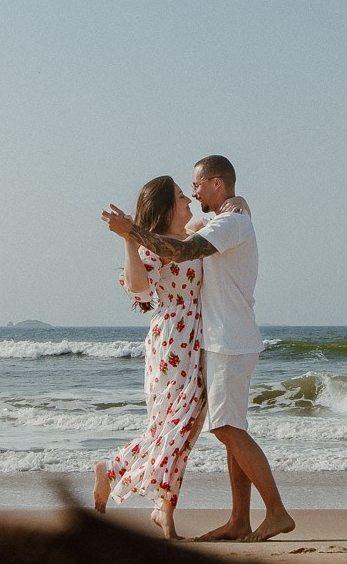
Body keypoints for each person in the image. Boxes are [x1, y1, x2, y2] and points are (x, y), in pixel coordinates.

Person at [102, 155, 295, 542]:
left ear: (217, 184)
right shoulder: (228, 219)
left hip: (227, 339)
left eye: (196, 185)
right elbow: (173, 245)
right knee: (230, 428)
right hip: (213, 339)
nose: (192, 193)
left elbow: (181, 251)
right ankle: (240, 519)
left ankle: (276, 512)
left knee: (225, 427)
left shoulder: (230, 222)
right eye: (185, 190)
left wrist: (130, 230)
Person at [92, 175, 245, 540]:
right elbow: (141, 289)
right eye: (180, 197)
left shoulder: (189, 236)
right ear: (166, 206)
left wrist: (238, 203)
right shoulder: (152, 247)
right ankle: (154, 503)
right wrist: (129, 238)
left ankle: (127, 480)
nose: (188, 201)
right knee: (172, 429)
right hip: (173, 342)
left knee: (184, 430)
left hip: (200, 336)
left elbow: (217, 219)